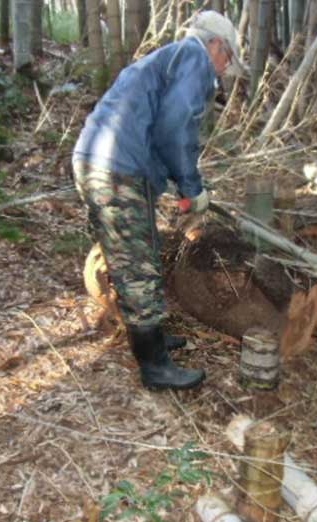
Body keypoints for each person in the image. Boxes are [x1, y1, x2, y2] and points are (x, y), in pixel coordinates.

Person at [73, 11, 247, 391]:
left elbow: (156, 127)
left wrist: (180, 184)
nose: (224, 69)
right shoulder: (194, 59)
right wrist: (190, 186)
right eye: (227, 57)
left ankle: (149, 337)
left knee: (141, 252)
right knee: (137, 266)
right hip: (115, 169)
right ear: (215, 44)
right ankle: (154, 366)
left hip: (113, 164)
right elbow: (175, 127)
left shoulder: (171, 59)